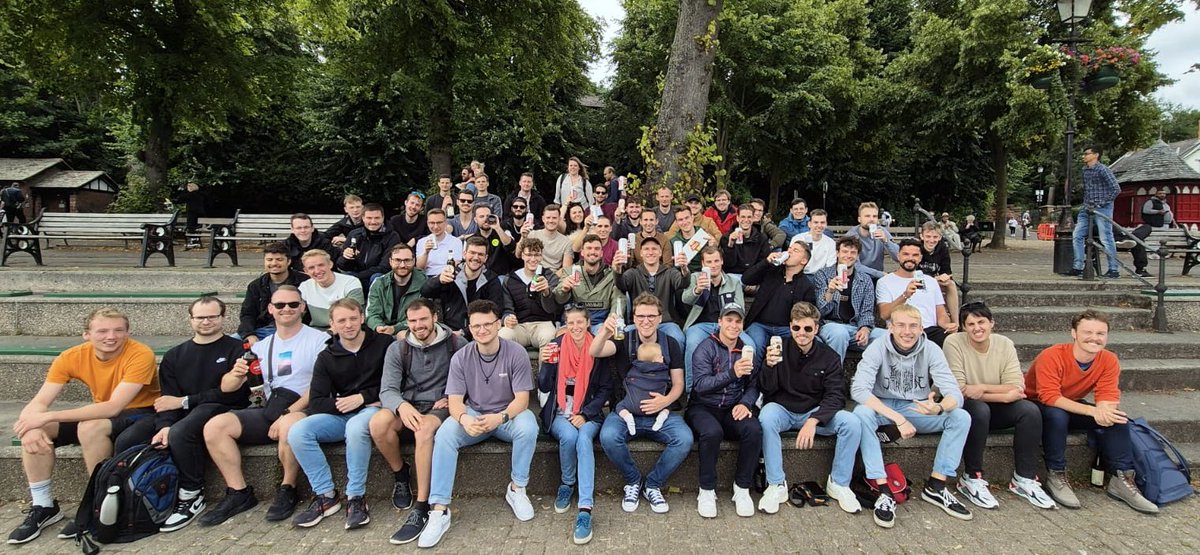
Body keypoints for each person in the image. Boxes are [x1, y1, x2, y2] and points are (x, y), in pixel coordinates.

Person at [7, 308, 159, 545]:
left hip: (142, 413)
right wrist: (30, 427)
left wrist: (45, 417)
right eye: (102, 331)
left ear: (128, 332)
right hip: (103, 413)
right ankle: (44, 505)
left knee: (89, 428)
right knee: (40, 430)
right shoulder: (71, 356)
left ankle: (97, 505)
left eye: (119, 330)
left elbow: (114, 407)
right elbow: (39, 401)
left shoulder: (140, 353)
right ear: (86, 334)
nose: (111, 336)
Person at [199, 286, 328, 526]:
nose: (286, 309)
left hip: (303, 407)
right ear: (270, 309)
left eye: (293, 304)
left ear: (302, 307)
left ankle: (288, 487)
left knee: (290, 425)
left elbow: (320, 386)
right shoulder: (261, 346)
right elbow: (227, 387)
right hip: (269, 406)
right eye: (280, 305)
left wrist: (288, 413)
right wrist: (236, 374)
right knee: (215, 427)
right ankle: (238, 492)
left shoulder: (319, 340)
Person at [416, 300, 540, 548]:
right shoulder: (461, 357)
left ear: (498, 324)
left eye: (487, 324)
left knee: (529, 426)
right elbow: (454, 401)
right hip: (475, 414)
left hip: (506, 415)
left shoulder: (516, 352)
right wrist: (464, 419)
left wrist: (500, 417)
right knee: (445, 433)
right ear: (470, 328)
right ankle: (439, 509)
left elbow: (522, 400)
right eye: (476, 326)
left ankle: (517, 488)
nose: (482, 330)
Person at [1024, 309, 1159, 513]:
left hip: (1071, 403)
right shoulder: (1052, 355)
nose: (1094, 338)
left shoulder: (1109, 359)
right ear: (1074, 333)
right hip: (1035, 405)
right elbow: (1049, 396)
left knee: (1117, 419)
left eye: (1100, 333)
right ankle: (1056, 475)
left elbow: (1108, 395)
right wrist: (1092, 411)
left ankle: (1122, 478)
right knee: (1056, 414)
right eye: (1088, 332)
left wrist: (1105, 411)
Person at [851, 304, 973, 528]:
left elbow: (954, 393)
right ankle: (883, 489)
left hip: (916, 408)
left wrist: (939, 407)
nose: (907, 332)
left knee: (960, 417)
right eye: (901, 325)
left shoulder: (931, 349)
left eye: (913, 326)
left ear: (921, 329)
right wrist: (899, 419)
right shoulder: (878, 346)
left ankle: (936, 485)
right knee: (861, 413)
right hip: (884, 407)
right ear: (890, 327)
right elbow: (858, 390)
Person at [287, 299, 394, 529]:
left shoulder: (384, 344)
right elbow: (316, 402)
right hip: (342, 412)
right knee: (298, 431)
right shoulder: (327, 356)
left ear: (362, 318)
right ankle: (326, 495)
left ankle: (356, 497)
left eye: (353, 318)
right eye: (342, 320)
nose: (348, 325)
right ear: (332, 325)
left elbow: (396, 382)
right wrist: (347, 403)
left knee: (355, 428)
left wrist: (363, 398)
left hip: (374, 409)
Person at [371, 300, 466, 544]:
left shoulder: (456, 344)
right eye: (412, 321)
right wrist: (401, 406)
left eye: (423, 319)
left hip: (439, 407)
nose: (418, 325)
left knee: (423, 430)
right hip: (408, 405)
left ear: (434, 317)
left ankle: (422, 505)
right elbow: (387, 389)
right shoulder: (398, 348)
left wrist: (453, 397)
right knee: (378, 423)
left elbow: (470, 379)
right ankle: (401, 474)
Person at [944, 302, 1055, 510]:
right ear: (963, 327)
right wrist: (1004, 397)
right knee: (979, 409)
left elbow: (1017, 385)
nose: (977, 328)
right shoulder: (953, 342)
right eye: (970, 324)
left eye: (981, 322)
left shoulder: (1004, 344)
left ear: (991, 323)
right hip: (966, 407)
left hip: (992, 405)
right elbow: (960, 389)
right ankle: (971, 478)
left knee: (1030, 411)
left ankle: (1024, 478)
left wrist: (982, 388)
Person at [153, 297, 251, 532]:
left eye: (212, 317)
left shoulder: (237, 350)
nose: (206, 322)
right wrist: (164, 425)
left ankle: (191, 494)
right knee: (133, 436)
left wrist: (185, 402)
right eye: (200, 317)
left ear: (223, 318)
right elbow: (168, 400)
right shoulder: (174, 355)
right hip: (185, 410)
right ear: (191, 319)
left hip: (224, 408)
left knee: (181, 432)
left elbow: (230, 394)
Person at [757, 302, 864, 514]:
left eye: (807, 328)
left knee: (851, 422)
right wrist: (768, 367)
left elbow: (836, 396)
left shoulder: (829, 356)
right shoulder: (779, 349)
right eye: (796, 327)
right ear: (790, 327)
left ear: (816, 329)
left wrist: (813, 421)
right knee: (766, 417)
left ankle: (839, 483)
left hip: (815, 411)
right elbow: (766, 389)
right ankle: (776, 484)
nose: (802, 333)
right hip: (784, 409)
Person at [592, 294, 692, 515]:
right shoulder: (623, 338)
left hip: (661, 412)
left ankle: (653, 485)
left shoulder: (670, 343)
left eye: (651, 316)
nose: (646, 321)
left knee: (684, 439)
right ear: (634, 318)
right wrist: (605, 331)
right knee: (608, 436)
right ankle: (633, 480)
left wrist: (666, 400)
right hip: (626, 410)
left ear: (659, 318)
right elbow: (595, 351)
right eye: (641, 316)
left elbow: (678, 383)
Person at [536, 306, 612, 545]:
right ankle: (567, 483)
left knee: (583, 438)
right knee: (569, 436)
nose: (576, 327)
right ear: (565, 326)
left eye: (580, 322)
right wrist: (546, 364)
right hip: (559, 412)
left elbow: (605, 389)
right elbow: (544, 386)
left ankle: (585, 508)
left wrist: (586, 414)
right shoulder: (556, 346)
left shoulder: (597, 348)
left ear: (588, 323)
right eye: (571, 323)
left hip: (588, 413)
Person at [687, 302, 763, 519]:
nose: (733, 325)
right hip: (703, 406)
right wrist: (732, 373)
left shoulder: (746, 350)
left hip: (732, 406)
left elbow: (754, 385)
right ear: (719, 322)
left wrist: (745, 403)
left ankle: (742, 487)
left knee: (753, 429)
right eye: (729, 320)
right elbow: (700, 385)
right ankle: (706, 489)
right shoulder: (705, 347)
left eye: (738, 321)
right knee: (712, 432)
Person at [681, 246, 754, 392]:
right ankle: (690, 391)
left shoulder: (733, 282)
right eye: (709, 262)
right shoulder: (696, 277)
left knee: (750, 345)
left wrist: (729, 323)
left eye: (716, 261)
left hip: (727, 325)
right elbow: (685, 299)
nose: (713, 265)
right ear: (703, 264)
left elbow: (740, 308)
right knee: (692, 344)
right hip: (700, 325)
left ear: (722, 261)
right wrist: (697, 290)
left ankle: (746, 390)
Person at [742, 239, 817, 364]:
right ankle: (755, 377)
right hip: (760, 325)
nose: (789, 252)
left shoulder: (806, 286)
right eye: (790, 249)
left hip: (786, 328)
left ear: (803, 261)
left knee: (790, 351)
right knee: (756, 346)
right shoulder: (772, 271)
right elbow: (746, 279)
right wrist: (766, 262)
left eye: (795, 250)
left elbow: (808, 315)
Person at [812, 236, 886, 361]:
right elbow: (821, 312)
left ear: (857, 256)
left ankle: (873, 373)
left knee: (886, 336)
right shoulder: (823, 274)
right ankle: (834, 373)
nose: (848, 255)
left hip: (854, 328)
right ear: (837, 253)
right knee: (839, 333)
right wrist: (830, 291)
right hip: (830, 326)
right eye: (845, 251)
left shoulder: (865, 279)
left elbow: (867, 311)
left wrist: (865, 328)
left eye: (853, 252)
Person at [419, 236, 512, 335]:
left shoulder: (491, 280)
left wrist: (463, 332)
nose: (476, 257)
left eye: (480, 254)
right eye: (472, 253)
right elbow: (425, 292)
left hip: (480, 332)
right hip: (449, 331)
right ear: (464, 254)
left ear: (486, 258)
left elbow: (495, 311)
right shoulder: (451, 274)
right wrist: (439, 280)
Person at [877, 239, 958, 347]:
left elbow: (941, 313)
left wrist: (947, 325)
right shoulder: (885, 282)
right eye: (906, 254)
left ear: (920, 258)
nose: (910, 258)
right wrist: (905, 295)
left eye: (915, 255)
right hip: (902, 331)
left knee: (954, 342)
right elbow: (884, 314)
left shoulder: (930, 281)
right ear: (898, 256)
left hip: (930, 331)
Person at [615, 235, 688, 349]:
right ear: (641, 253)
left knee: (678, 338)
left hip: (665, 322)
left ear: (660, 252)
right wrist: (618, 268)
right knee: (623, 339)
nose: (650, 252)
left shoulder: (670, 272)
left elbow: (683, 283)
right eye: (646, 249)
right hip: (639, 323)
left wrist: (684, 269)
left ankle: (673, 362)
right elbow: (621, 284)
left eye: (654, 249)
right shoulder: (633, 273)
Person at [239, 243, 310, 343]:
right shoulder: (255, 285)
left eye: (279, 259)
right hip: (261, 330)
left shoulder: (304, 282)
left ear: (288, 261)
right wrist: (249, 334)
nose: (274, 263)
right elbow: (247, 313)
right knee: (232, 344)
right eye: (269, 260)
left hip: (294, 329)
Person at [1070, 146, 1122, 278]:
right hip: (1087, 207)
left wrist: (1102, 202)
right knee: (1077, 235)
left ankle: (1113, 269)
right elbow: (1088, 189)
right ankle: (1078, 267)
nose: (1084, 156)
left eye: (1087, 154)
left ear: (1096, 155)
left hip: (1102, 208)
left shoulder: (1103, 170)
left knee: (1106, 237)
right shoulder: (1085, 170)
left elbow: (1116, 189)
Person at [554, 234, 623, 333]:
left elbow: (618, 301)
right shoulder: (570, 272)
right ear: (582, 252)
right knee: (562, 335)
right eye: (589, 248)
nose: (593, 252)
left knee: (606, 334)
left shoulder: (612, 274)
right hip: (575, 320)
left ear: (601, 253)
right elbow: (558, 299)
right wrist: (564, 289)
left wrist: (610, 321)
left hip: (600, 322)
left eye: (596, 249)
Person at [500, 238, 561, 349]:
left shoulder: (550, 276)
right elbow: (507, 308)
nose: (533, 259)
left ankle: (544, 362)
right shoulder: (510, 279)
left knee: (548, 337)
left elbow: (552, 309)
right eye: (529, 255)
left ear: (541, 256)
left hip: (543, 324)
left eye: (537, 255)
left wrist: (546, 292)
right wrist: (507, 318)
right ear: (522, 255)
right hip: (519, 325)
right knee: (503, 335)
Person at [366, 243, 428, 337]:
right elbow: (371, 314)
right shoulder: (379, 283)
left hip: (412, 330)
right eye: (398, 260)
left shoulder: (425, 283)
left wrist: (395, 328)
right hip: (382, 331)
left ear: (414, 261)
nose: (402, 265)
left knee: (402, 336)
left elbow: (423, 316)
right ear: (390, 261)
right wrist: (379, 327)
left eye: (407, 260)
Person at [337, 203, 401, 291]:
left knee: (377, 277)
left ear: (383, 218)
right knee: (346, 277)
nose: (373, 222)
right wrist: (345, 257)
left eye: (377, 218)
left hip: (377, 276)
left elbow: (385, 267)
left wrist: (359, 276)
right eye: (369, 218)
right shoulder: (354, 234)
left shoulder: (392, 236)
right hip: (356, 276)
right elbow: (341, 265)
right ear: (363, 218)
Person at [298, 249, 365, 329]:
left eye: (321, 265)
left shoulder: (350, 282)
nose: (317, 271)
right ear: (306, 271)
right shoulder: (305, 287)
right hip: (317, 330)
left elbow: (353, 315)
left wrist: (329, 333)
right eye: (311, 268)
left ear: (330, 264)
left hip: (347, 329)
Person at [614, 343, 672, 433]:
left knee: (619, 406)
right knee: (667, 406)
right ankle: (661, 417)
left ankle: (627, 417)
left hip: (633, 406)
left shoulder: (633, 369)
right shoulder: (663, 371)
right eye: (661, 356)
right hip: (656, 408)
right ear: (655, 360)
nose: (663, 358)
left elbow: (626, 381)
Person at [918, 223, 961, 326]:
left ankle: (956, 323)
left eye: (935, 237)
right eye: (928, 236)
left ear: (940, 237)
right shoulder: (916, 248)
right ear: (922, 236)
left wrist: (945, 277)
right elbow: (914, 273)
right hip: (917, 281)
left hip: (934, 280)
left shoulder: (942, 248)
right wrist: (935, 278)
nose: (931, 240)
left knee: (951, 284)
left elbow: (946, 270)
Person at [461, 204, 518, 276]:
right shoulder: (470, 239)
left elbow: (511, 247)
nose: (486, 219)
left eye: (488, 216)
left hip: (500, 275)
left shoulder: (503, 232)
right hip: (479, 276)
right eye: (481, 216)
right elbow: (466, 261)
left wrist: (497, 228)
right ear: (475, 220)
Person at [844, 201, 898, 272]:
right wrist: (880, 274)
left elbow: (899, 257)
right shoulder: (852, 235)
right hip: (858, 276)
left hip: (878, 275)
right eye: (867, 216)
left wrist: (886, 241)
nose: (871, 219)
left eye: (874, 216)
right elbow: (856, 266)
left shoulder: (882, 231)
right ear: (859, 219)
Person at [720, 205, 772, 278]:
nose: (746, 220)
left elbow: (763, 264)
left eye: (749, 217)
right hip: (733, 276)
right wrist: (730, 245)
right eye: (743, 217)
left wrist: (751, 278)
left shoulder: (762, 238)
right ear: (737, 218)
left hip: (753, 276)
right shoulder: (726, 237)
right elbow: (728, 265)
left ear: (753, 218)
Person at [524, 203, 574, 274]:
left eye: (554, 218)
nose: (551, 221)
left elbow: (566, 269)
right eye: (548, 218)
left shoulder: (567, 242)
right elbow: (518, 254)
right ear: (543, 219)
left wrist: (550, 279)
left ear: (559, 219)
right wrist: (523, 237)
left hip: (554, 276)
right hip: (533, 273)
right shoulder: (533, 235)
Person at [415, 208, 464, 277]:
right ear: (428, 224)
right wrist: (426, 253)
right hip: (427, 277)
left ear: (445, 223)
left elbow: (455, 265)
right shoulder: (421, 242)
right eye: (432, 223)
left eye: (439, 223)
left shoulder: (456, 242)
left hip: (448, 276)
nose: (436, 226)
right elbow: (420, 268)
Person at [669, 204, 715, 274]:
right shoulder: (673, 242)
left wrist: (713, 246)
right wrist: (679, 264)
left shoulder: (704, 235)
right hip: (686, 275)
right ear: (677, 222)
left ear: (692, 217)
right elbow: (673, 269)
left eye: (687, 218)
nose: (685, 222)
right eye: (680, 220)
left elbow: (716, 260)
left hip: (706, 273)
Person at [800, 209, 836, 274]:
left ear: (826, 224)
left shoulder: (831, 243)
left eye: (822, 222)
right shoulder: (798, 239)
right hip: (801, 274)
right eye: (816, 222)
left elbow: (830, 266)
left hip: (821, 276)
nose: (819, 226)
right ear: (809, 224)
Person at [181, 182, 207, 250]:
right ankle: (196, 240)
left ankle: (193, 241)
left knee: (191, 227)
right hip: (200, 213)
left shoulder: (189, 195)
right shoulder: (201, 194)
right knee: (198, 227)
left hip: (192, 213)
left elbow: (181, 198)